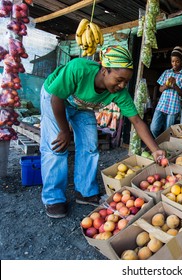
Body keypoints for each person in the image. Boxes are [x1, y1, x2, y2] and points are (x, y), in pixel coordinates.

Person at [39, 45, 165, 219]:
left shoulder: (119, 93)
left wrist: (155, 150)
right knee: (57, 147)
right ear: (105, 70)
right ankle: (53, 198)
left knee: (90, 146)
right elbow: (56, 99)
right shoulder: (79, 69)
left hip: (82, 106)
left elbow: (136, 121)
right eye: (119, 79)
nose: (122, 85)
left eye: (126, 82)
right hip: (55, 98)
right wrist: (64, 130)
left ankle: (85, 192)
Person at [150, 46, 182, 138]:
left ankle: (164, 146)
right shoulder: (166, 72)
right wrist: (166, 86)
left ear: (181, 61)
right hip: (162, 104)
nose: (174, 63)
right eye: (172, 61)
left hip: (173, 107)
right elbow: (160, 89)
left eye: (177, 61)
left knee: (167, 131)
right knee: (154, 128)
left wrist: (175, 85)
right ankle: (158, 142)